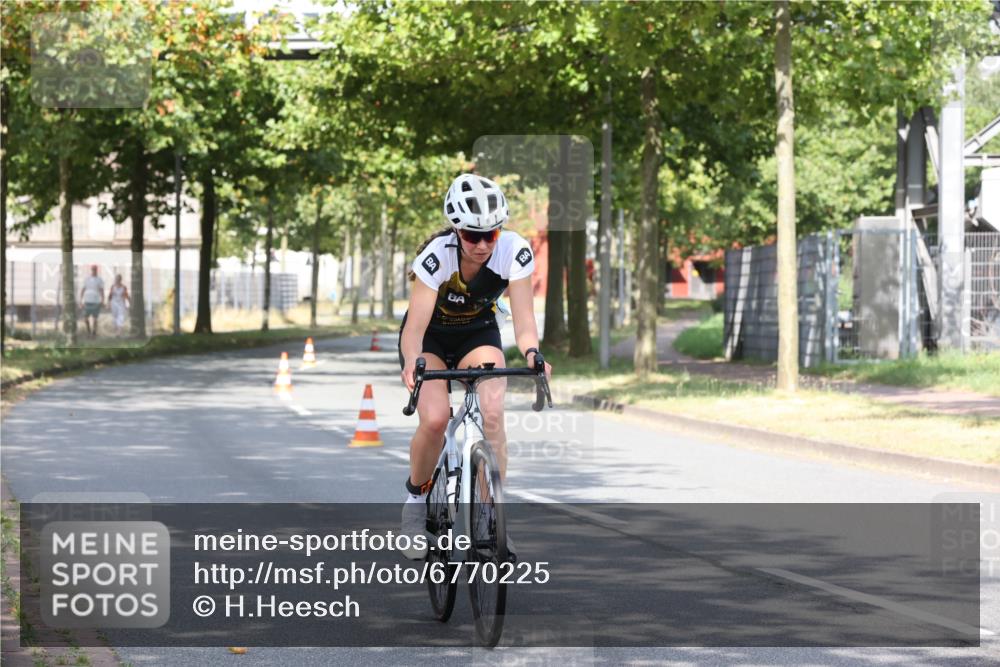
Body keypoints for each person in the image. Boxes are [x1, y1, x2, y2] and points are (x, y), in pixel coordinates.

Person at [398, 174, 552, 560]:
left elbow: (524, 322)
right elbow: (414, 328)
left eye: (491, 235)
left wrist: (534, 355)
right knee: (434, 419)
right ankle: (415, 506)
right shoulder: (436, 257)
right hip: (430, 339)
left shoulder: (514, 251)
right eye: (472, 236)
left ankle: (492, 519)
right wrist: (413, 365)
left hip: (476, 335)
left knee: (494, 412)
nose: (483, 245)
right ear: (456, 230)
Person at [79, 265, 104, 338]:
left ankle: (94, 333)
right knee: (85, 318)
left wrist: (102, 299)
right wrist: (81, 300)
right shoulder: (87, 279)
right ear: (91, 270)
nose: (93, 271)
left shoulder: (99, 280)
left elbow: (101, 290)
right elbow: (83, 289)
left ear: (97, 270)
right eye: (92, 269)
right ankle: (88, 331)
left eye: (95, 269)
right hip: (87, 300)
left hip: (96, 301)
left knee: (95, 318)